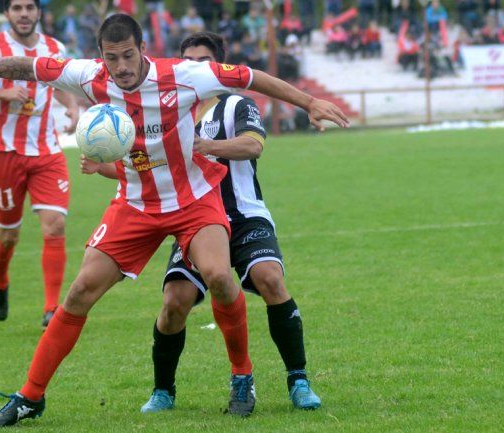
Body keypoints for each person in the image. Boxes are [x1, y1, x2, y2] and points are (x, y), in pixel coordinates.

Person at [0, 13, 348, 427]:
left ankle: (242, 377)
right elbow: (27, 67)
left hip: (194, 200)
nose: (121, 67)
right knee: (79, 293)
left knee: (219, 275)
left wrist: (310, 102)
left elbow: (250, 76)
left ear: (143, 49)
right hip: (135, 204)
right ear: (101, 55)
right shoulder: (89, 75)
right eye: (112, 57)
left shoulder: (184, 74)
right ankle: (30, 397)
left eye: (128, 55)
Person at [79, 31, 323, 413]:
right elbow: (143, 168)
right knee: (174, 301)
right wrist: (102, 165)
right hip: (191, 218)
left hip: (242, 214)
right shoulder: (165, 106)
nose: (195, 67)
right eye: (189, 60)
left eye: (203, 61)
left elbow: (253, 145)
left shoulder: (237, 104)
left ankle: (299, 380)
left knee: (271, 279)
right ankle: (163, 391)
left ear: (217, 67)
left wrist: (207, 146)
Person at [0, 0, 79, 327]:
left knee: (56, 225)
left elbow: (60, 84)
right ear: (7, 14)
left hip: (47, 150)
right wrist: (2, 95)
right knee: (9, 235)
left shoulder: (54, 47)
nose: (24, 14)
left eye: (29, 7)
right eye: (17, 8)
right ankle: (0, 278)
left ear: (39, 13)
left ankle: (52, 309)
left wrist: (73, 107)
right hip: (4, 153)